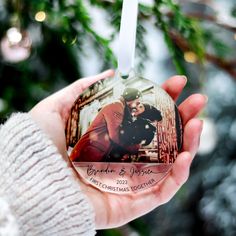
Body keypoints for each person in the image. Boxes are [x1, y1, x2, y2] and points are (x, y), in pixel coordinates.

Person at [0, 70, 207, 236]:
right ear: (127, 101)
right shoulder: (115, 108)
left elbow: (128, 144)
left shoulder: (129, 116)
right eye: (135, 104)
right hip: (91, 153)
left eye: (139, 105)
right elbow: (119, 139)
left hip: (102, 158)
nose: (137, 108)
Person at [69, 87, 143, 162]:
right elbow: (116, 136)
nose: (136, 106)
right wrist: (134, 147)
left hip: (91, 152)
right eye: (136, 103)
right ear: (131, 99)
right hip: (86, 154)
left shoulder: (119, 107)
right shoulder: (116, 106)